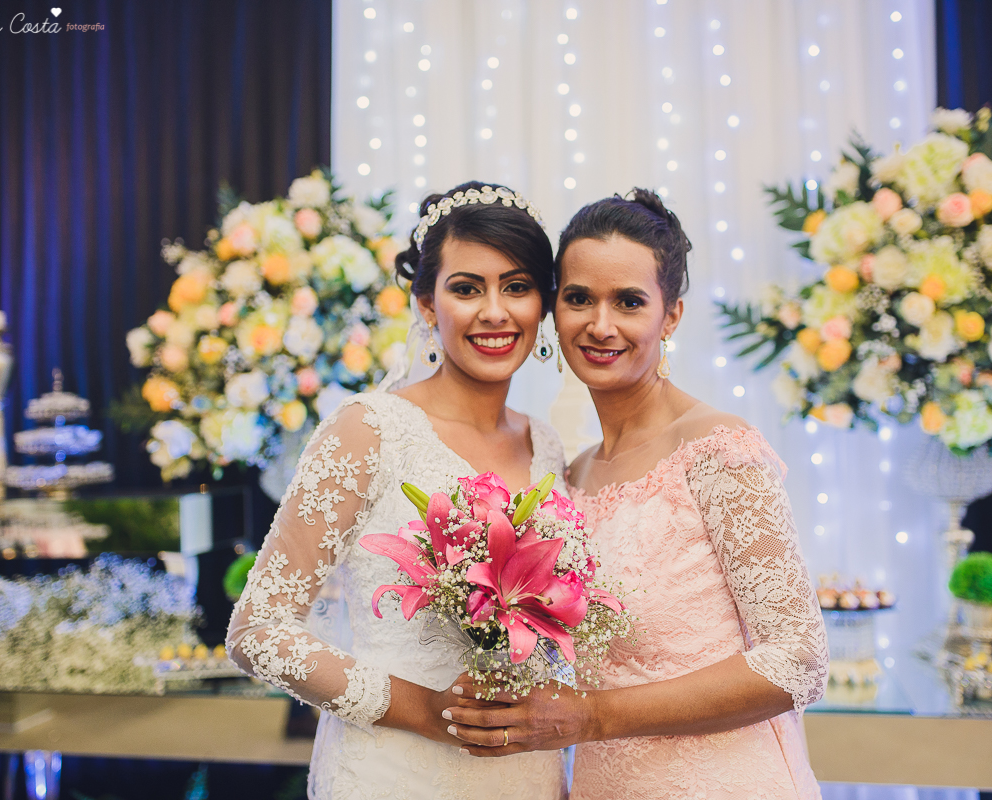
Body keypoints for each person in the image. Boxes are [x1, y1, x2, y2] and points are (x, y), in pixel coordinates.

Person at [442, 189, 829, 799]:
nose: (600, 325)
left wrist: (591, 716)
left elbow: (797, 661)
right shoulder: (571, 474)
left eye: (629, 302)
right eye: (578, 299)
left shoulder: (719, 449)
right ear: (553, 311)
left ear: (670, 314)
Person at [226, 181, 569, 800]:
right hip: (396, 770)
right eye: (467, 288)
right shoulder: (369, 430)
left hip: (526, 775)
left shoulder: (545, 446)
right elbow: (257, 631)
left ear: (542, 305)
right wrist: (425, 710)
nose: (495, 312)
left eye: (516, 287)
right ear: (427, 304)